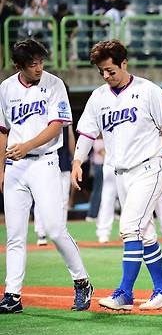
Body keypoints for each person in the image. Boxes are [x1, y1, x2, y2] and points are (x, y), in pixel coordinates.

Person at [71, 39, 162, 311]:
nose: (107, 76)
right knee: (144, 233)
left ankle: (125, 293)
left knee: (128, 228)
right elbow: (87, 132)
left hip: (150, 167)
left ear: (124, 63)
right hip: (121, 173)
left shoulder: (149, 90)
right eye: (102, 72)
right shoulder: (99, 97)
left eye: (111, 70)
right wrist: (77, 160)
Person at [0, 39, 93, 314]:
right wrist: (1, 169)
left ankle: (81, 281)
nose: (39, 67)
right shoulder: (5, 88)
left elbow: (56, 127)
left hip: (44, 162)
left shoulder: (54, 84)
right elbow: (3, 130)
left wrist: (26, 146)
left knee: (54, 229)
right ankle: (13, 295)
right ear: (18, 66)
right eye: (32, 64)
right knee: (15, 235)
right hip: (15, 166)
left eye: (41, 61)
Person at [34, 124, 76, 246]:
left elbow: (70, 135)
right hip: (44, 160)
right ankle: (41, 232)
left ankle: (62, 233)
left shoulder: (63, 108)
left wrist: (74, 158)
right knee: (41, 198)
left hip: (63, 162)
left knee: (63, 200)